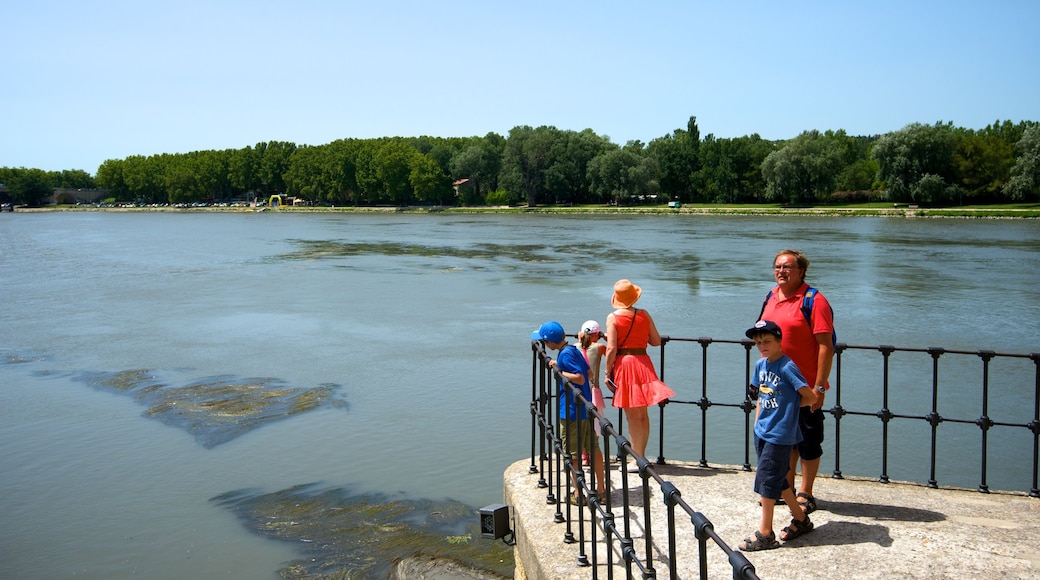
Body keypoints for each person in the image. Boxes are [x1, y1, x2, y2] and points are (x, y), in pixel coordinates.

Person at [758, 249, 835, 515]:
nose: (782, 271)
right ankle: (784, 488)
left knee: (808, 441)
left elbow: (826, 346)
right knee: (781, 439)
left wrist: (820, 385)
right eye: (778, 266)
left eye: (788, 267)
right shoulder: (770, 296)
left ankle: (806, 492)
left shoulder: (814, 300)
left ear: (801, 271)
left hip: (804, 387)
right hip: (775, 386)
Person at [740, 319, 817, 551]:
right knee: (778, 477)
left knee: (767, 480)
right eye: (758, 342)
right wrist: (757, 424)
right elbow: (758, 396)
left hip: (780, 433)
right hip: (762, 430)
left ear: (779, 341)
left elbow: (810, 397)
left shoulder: (786, 366)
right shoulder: (760, 365)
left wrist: (790, 407)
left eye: (768, 341)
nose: (763, 345)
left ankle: (766, 534)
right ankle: (801, 519)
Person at [603, 279, 675, 472]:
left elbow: (611, 348)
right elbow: (656, 341)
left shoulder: (613, 318)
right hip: (643, 362)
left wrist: (606, 371)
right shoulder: (644, 314)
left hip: (625, 365)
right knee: (642, 415)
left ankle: (638, 459)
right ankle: (640, 455)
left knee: (632, 416)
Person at [531, 320, 606, 503]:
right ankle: (602, 491)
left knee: (572, 455)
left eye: (543, 341)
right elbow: (588, 374)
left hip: (572, 412)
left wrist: (559, 370)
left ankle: (578, 494)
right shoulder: (573, 350)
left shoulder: (565, 356)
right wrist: (562, 364)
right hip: (587, 408)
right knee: (594, 449)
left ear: (549, 343)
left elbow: (580, 378)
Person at [577, 320, 608, 465]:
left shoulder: (574, 348)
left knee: (580, 423)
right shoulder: (599, 347)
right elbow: (613, 351)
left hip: (578, 390)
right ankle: (593, 453)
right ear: (597, 335)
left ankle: (584, 456)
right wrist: (607, 337)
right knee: (595, 425)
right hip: (593, 392)